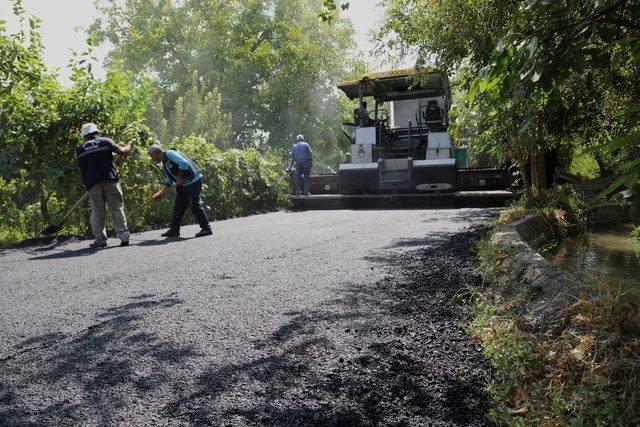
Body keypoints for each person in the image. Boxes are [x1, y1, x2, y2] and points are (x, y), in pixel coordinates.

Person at [76, 123, 133, 248]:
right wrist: (129, 145)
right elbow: (122, 151)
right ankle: (124, 237)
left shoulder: (80, 149)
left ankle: (100, 240)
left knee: (98, 212)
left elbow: (81, 169)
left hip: (93, 184)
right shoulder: (106, 141)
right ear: (96, 132)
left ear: (85, 135)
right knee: (117, 208)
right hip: (110, 181)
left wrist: (88, 184)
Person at [147, 144, 212, 238]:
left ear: (157, 153)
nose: (152, 159)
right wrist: (160, 192)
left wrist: (180, 178)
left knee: (194, 204)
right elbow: (169, 180)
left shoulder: (169, 153)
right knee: (179, 206)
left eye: (151, 156)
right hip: (184, 185)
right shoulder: (164, 163)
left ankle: (206, 228)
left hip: (193, 181)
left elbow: (184, 163)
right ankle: (174, 230)